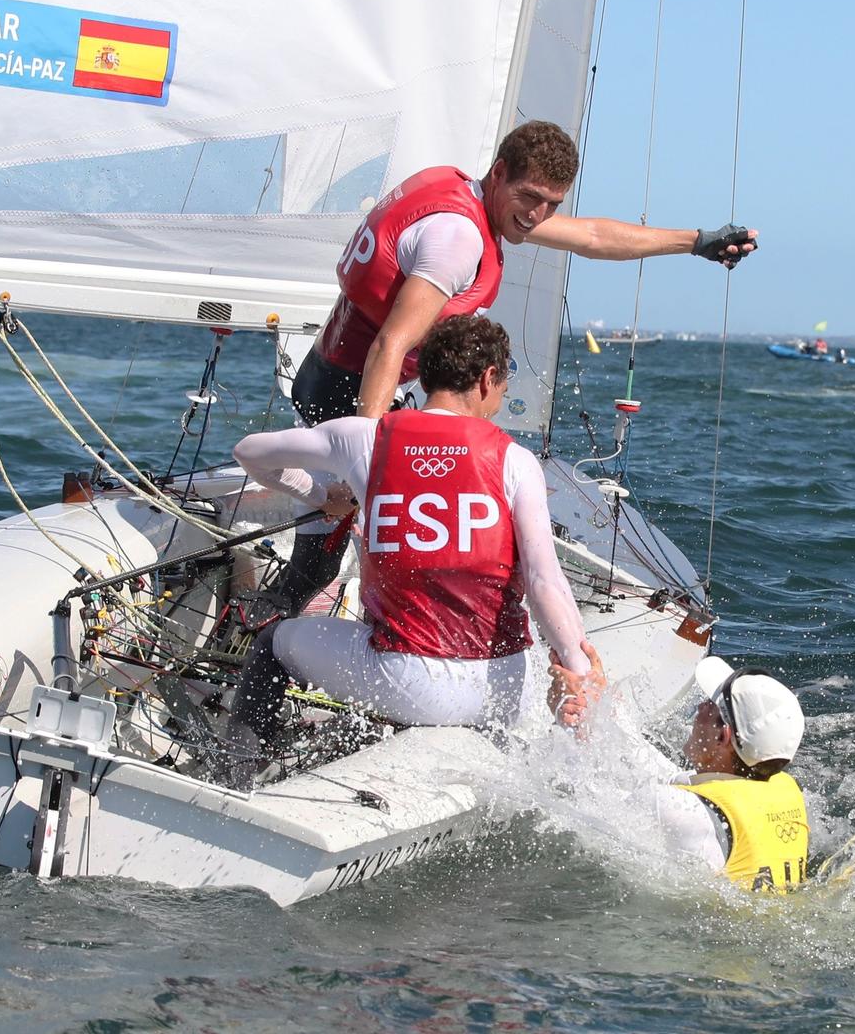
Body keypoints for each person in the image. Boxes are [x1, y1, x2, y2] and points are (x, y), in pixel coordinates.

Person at [264, 119, 759, 614]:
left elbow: (592, 235)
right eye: (531, 197)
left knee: (326, 558)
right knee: (326, 562)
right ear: (499, 173)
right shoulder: (457, 240)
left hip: (338, 380)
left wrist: (697, 241)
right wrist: (364, 460)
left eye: (553, 205)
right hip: (348, 396)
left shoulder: (471, 196)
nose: (538, 215)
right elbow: (390, 344)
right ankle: (268, 653)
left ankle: (276, 638)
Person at [224, 315, 604, 772]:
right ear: (487, 379)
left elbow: (249, 453)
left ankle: (234, 775)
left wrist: (323, 497)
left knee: (273, 643)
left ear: (423, 374)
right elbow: (546, 582)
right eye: (504, 383)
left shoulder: (363, 437)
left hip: (407, 683)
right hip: (503, 688)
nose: (501, 396)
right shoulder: (516, 461)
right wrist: (578, 673)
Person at [637, 656, 810, 892]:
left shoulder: (679, 808)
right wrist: (602, 709)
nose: (699, 708)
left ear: (722, 738)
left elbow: (587, 802)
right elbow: (661, 773)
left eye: (710, 704)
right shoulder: (783, 789)